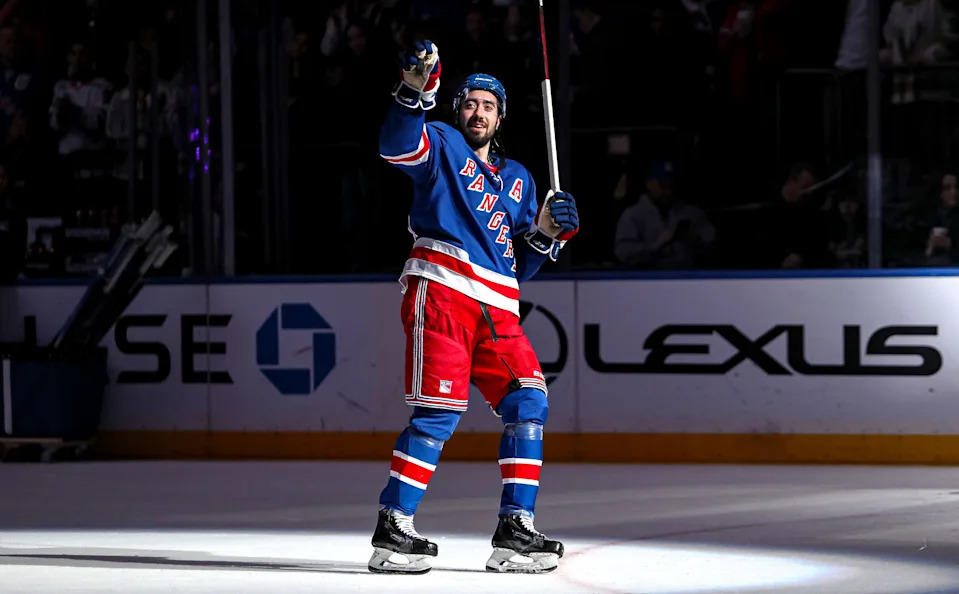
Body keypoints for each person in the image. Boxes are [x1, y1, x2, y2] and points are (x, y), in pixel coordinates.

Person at [369, 41, 579, 575]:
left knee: (529, 401)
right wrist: (414, 92)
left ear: (500, 117)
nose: (477, 112)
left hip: (498, 308)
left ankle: (515, 530)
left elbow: (518, 267)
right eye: (468, 103)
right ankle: (394, 527)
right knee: (439, 412)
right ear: (456, 110)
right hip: (442, 289)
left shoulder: (521, 181)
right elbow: (395, 146)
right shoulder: (438, 142)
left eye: (488, 105)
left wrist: (546, 235)